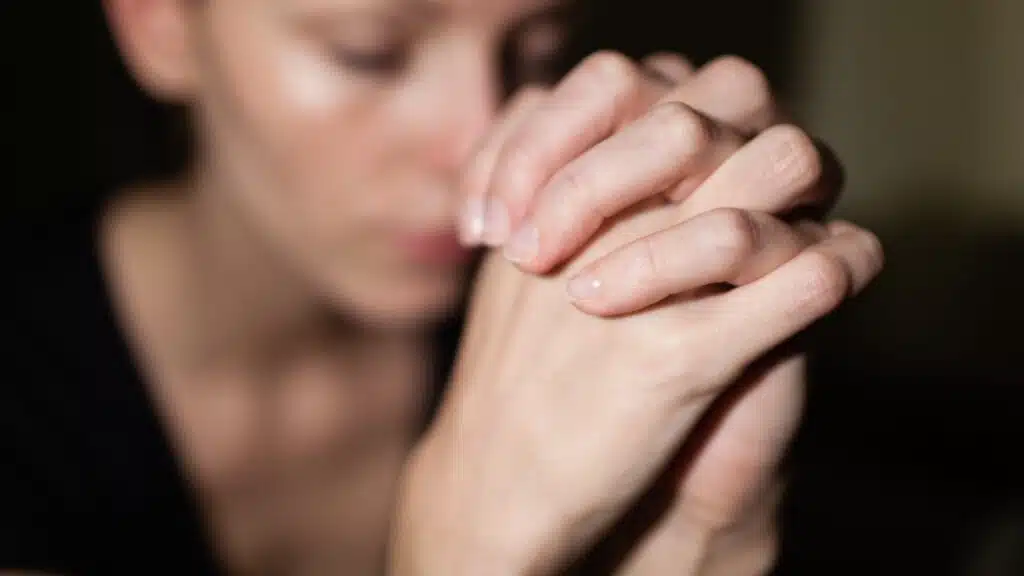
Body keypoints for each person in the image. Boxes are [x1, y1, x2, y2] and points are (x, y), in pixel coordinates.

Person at [4, 0, 883, 574]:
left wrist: (703, 540)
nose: (478, 137)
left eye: (539, 45)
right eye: (370, 53)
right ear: (159, 22)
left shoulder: (595, 338)